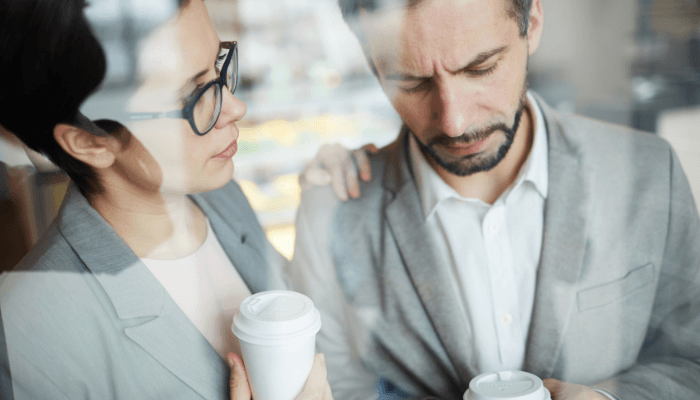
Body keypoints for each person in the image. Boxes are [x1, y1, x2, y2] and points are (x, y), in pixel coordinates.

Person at [288, 0, 700, 399]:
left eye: (480, 67)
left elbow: (691, 361)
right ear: (371, 64)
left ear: (533, 21)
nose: (455, 121)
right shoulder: (331, 212)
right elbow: (334, 388)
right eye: (411, 82)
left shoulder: (650, 172)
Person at [0, 0, 362, 398]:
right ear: (90, 141)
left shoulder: (221, 199)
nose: (235, 107)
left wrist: (321, 215)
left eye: (219, 66)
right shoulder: (29, 333)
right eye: (192, 97)